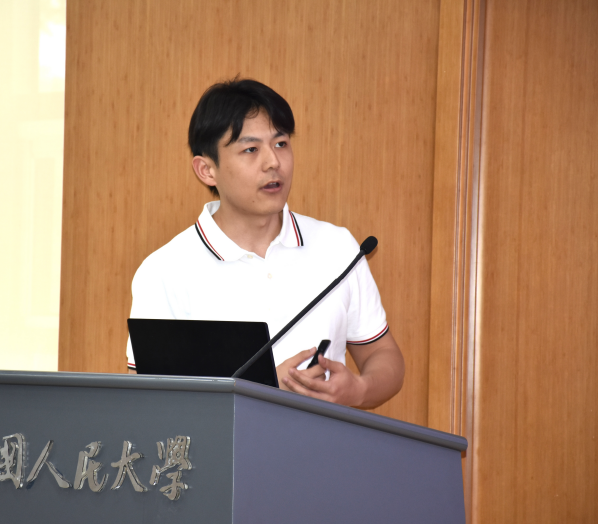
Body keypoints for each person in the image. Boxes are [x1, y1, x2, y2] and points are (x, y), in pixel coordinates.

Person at [126, 78, 404, 409]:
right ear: (207, 170)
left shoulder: (338, 248)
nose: (273, 162)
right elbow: (149, 401)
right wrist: (264, 391)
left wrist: (358, 389)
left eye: (281, 143)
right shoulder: (165, 271)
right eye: (251, 149)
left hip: (325, 443)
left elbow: (382, 354)